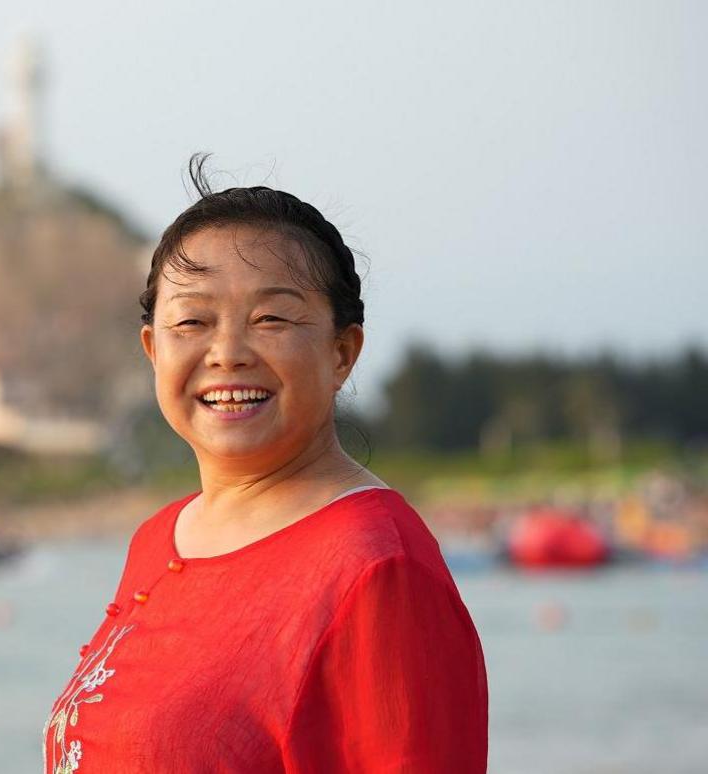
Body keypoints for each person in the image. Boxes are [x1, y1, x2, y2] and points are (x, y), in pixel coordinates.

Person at [42, 155, 488, 773]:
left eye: (271, 318)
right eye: (192, 321)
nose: (226, 353)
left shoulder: (376, 569)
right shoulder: (160, 538)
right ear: (153, 350)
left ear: (342, 351)